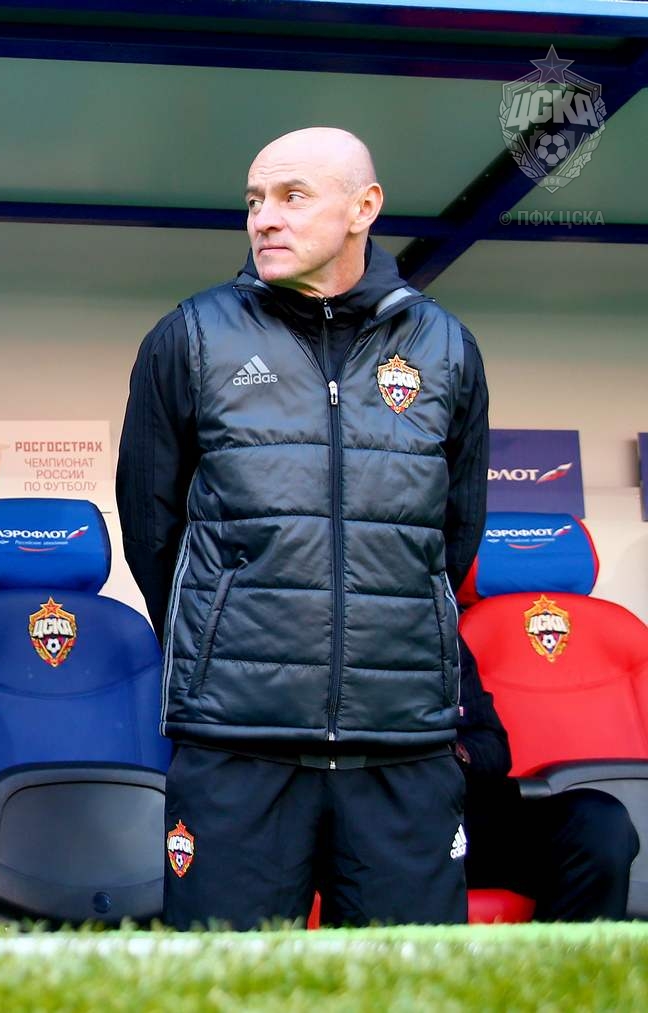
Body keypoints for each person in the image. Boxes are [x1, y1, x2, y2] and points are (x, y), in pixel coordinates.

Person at [116, 127, 489, 928]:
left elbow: (452, 535)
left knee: (413, 981)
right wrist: (226, 631)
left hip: (401, 743)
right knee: (224, 980)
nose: (264, 218)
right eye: (254, 200)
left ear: (364, 207)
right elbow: (152, 529)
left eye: (292, 196)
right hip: (237, 740)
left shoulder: (446, 349)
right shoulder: (189, 337)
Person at [457, 638, 640, 920]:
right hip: (389, 825)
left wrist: (446, 754)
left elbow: (492, 747)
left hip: (455, 814)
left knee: (599, 823)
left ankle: (572, 951)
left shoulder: (434, 632)